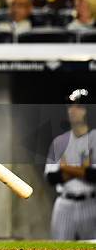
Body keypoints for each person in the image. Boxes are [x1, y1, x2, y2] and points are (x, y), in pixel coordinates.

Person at [44, 89, 96, 240]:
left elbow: (94, 176)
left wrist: (66, 168)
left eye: (79, 106)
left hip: (91, 203)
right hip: (64, 204)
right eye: (70, 106)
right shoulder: (60, 141)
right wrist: (82, 170)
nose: (72, 110)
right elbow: (51, 178)